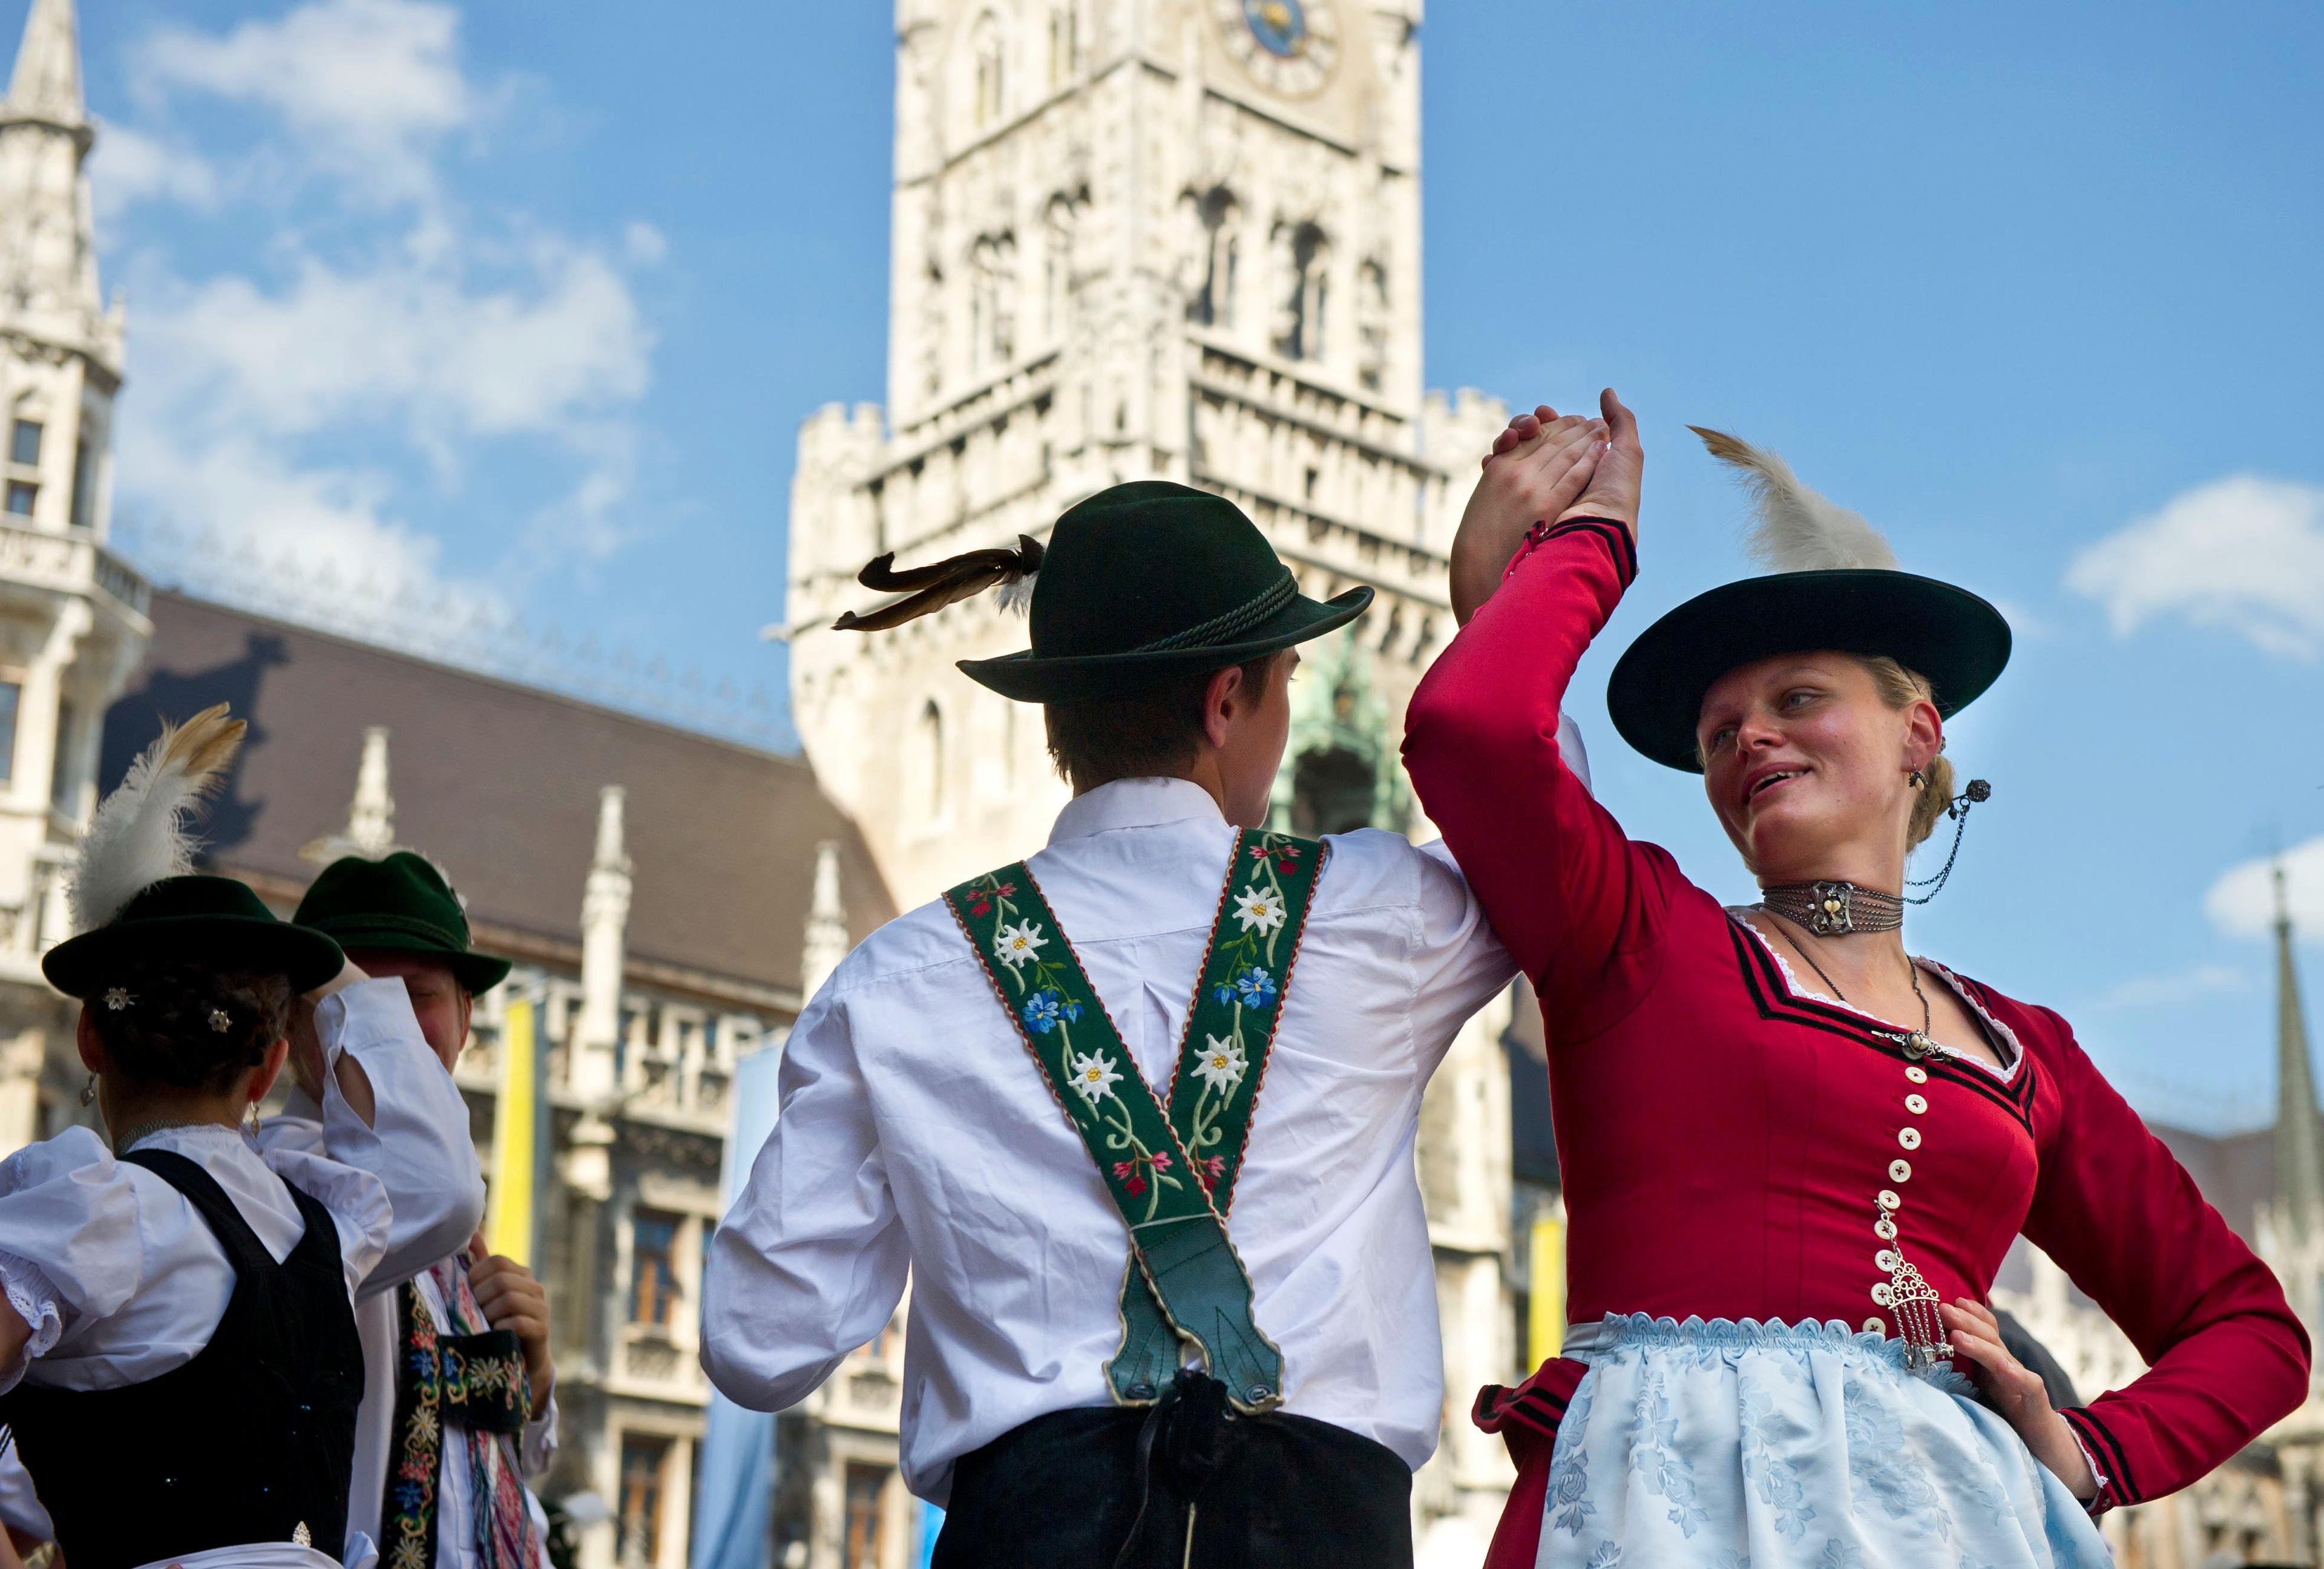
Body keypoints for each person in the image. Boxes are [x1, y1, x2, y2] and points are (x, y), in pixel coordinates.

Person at [1403, 393, 2311, 1567]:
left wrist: (2090, 1449)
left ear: (1919, 733)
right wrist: (1589, 545)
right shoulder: (1639, 936)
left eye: (1797, 702)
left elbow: (2250, 1331)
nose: (1750, 742)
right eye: (1720, 733)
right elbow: (1474, 728)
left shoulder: (2024, 1048)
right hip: (1659, 1514)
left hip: (1958, 1524)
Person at [702, 481, 1519, 1568]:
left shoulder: (894, 981)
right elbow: (1544, 844)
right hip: (1319, 1530)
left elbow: (760, 1338)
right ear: (1229, 700)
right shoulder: (1377, 914)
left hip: (1025, 1531)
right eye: (1288, 680)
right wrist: (1500, 609)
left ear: (1055, 719)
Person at [0, 706, 485, 1569]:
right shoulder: (327, 1231)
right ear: (268, 1070)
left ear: (89, 1040)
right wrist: (319, 969)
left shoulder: (94, 1215)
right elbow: (441, 1184)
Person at [269, 851, 556, 1569]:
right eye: (360, 1000)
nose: (388, 1028)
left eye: (414, 997)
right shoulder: (277, 1184)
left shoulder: (460, 1226)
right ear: (293, 1022)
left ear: (466, 1016)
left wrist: (535, 1375)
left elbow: (475, 1468)